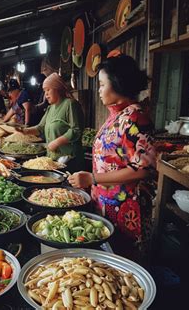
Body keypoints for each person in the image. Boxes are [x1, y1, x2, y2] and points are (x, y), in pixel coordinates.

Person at [67, 55, 157, 262]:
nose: (98, 90)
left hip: (127, 207)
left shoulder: (136, 117)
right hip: (106, 204)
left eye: (101, 84)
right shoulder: (117, 115)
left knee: (124, 263)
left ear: (117, 84)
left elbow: (143, 169)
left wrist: (93, 179)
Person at [20, 73, 85, 171]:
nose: (46, 94)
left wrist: (57, 142)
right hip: (53, 160)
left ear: (57, 89)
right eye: (44, 91)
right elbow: (40, 128)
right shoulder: (50, 108)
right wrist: (24, 131)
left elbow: (76, 130)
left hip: (70, 160)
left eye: (48, 90)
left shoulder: (70, 104)